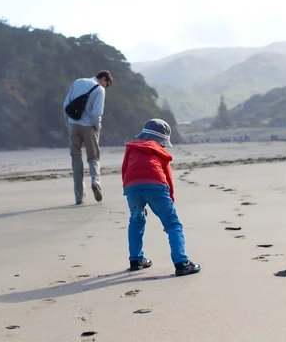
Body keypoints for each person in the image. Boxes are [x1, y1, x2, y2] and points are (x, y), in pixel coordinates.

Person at [121, 118, 201, 277]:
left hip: (131, 186)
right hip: (156, 184)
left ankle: (136, 260)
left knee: (136, 220)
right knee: (173, 224)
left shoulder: (132, 148)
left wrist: (131, 194)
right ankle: (182, 263)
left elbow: (125, 170)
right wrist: (170, 203)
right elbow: (168, 180)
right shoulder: (161, 152)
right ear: (162, 140)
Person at [63, 70, 113, 205]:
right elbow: (97, 113)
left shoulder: (77, 82)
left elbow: (66, 105)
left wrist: (69, 123)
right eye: (107, 84)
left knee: (76, 159)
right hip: (89, 126)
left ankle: (79, 196)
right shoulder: (99, 90)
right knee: (93, 157)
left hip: (73, 125)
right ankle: (95, 182)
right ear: (103, 78)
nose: (105, 87)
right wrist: (98, 128)